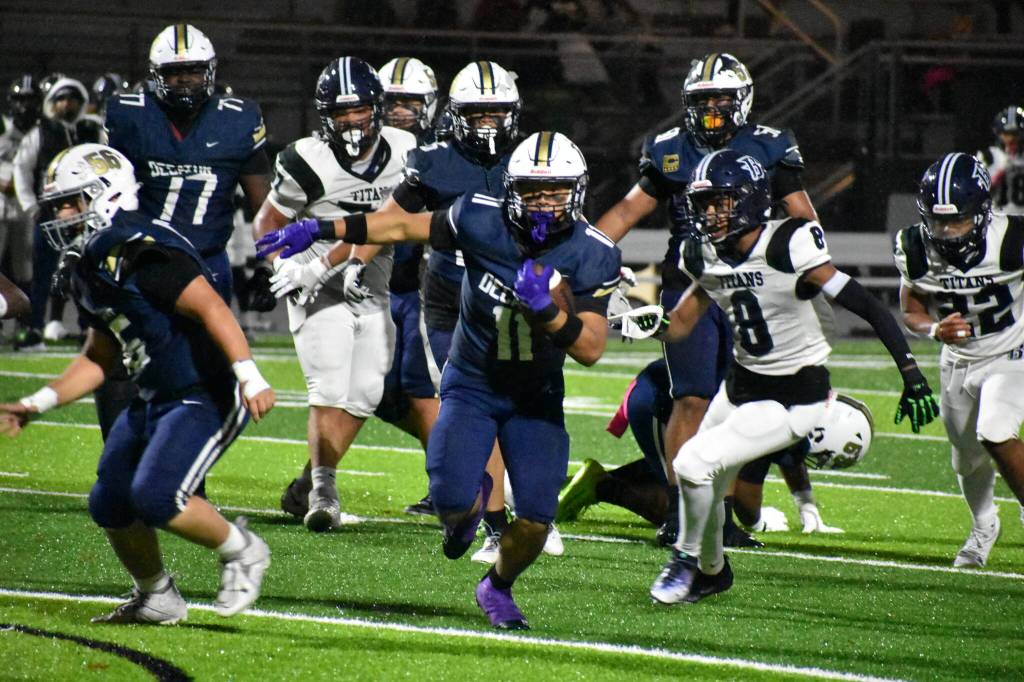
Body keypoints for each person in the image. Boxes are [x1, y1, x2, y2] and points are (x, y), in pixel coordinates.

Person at [257, 131, 621, 629]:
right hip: (472, 383)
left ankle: (497, 585)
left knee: (537, 517)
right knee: (451, 504)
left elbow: (592, 348)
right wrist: (320, 229)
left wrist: (548, 314)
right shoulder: (477, 217)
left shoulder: (593, 253)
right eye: (533, 192)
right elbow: (401, 225)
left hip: (535, 397)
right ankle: (467, 507)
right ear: (511, 190)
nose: (543, 203)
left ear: (576, 191)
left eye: (554, 191)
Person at [611, 149, 938, 604]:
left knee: (691, 464)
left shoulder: (789, 244)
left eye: (720, 202)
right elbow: (682, 323)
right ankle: (712, 571)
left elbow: (863, 303)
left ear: (747, 199)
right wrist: (647, 322)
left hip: (792, 396)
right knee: (697, 479)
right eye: (704, 204)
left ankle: (687, 561)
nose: (711, 213)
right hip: (741, 385)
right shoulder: (702, 253)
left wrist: (911, 372)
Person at [0, 143, 274, 623]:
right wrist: (35, 403)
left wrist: (248, 375)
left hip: (204, 390)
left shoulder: (141, 251)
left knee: (157, 495)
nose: (61, 213)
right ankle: (157, 596)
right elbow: (100, 356)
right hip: (154, 393)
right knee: (110, 498)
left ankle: (244, 548)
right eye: (58, 204)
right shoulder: (90, 263)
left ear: (105, 195)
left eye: (71, 201)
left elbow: (212, 307)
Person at [595, 52, 820, 545]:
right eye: (704, 99)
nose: (714, 108)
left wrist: (798, 274)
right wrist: (581, 255)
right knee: (692, 397)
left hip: (750, 288)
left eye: (722, 97)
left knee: (744, 405)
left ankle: (719, 515)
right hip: (690, 283)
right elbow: (627, 210)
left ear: (742, 100)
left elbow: (803, 219)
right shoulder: (670, 149)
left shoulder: (768, 146)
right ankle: (681, 515)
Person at [254, 57, 417, 532]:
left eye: (360, 110)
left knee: (367, 389)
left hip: (373, 278)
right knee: (327, 382)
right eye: (340, 113)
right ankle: (322, 492)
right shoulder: (306, 159)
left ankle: (310, 485)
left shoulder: (407, 150)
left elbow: (391, 223)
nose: (350, 121)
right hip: (315, 282)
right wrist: (286, 266)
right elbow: (268, 222)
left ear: (378, 108)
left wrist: (349, 260)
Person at [100, 23, 271, 439]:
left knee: (201, 373)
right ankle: (121, 463)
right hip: (143, 258)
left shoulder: (239, 118)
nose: (184, 79)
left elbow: (261, 203)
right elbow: (102, 192)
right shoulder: (128, 113)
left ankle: (185, 476)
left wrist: (267, 262)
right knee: (126, 361)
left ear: (210, 70)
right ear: (155, 74)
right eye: (174, 71)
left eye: (193, 70)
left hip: (206, 261)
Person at [895, 152, 1024, 567]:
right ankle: (984, 524)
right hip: (958, 359)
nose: (947, 231)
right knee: (965, 458)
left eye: (958, 220)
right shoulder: (915, 246)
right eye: (938, 221)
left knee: (995, 429)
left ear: (983, 211)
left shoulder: (1012, 239)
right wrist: (934, 329)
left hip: (1011, 350)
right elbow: (911, 309)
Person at [557, 359, 848, 540]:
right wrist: (759, 522)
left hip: (666, 390)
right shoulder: (780, 410)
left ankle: (603, 480)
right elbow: (746, 506)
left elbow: (791, 456)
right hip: (662, 402)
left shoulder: (803, 392)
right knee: (689, 512)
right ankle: (602, 486)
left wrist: (806, 507)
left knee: (701, 470)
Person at [12, 76, 103, 349]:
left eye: (72, 99)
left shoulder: (92, 129)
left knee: (86, 273)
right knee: (43, 274)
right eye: (61, 99)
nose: (67, 104)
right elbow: (21, 169)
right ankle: (35, 328)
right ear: (53, 102)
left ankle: (90, 330)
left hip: (87, 215)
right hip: (50, 214)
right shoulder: (41, 132)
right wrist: (32, 206)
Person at [0, 76, 39, 323]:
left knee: (25, 267)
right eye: (20, 99)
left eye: (29, 100)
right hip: (0, 203)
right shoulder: (3, 127)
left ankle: (27, 325)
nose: (24, 105)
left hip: (25, 206)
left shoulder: (41, 132)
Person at [977, 105, 1024, 216]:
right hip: (997, 221)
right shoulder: (989, 156)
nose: (1011, 139)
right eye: (1006, 134)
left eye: (1015, 134)